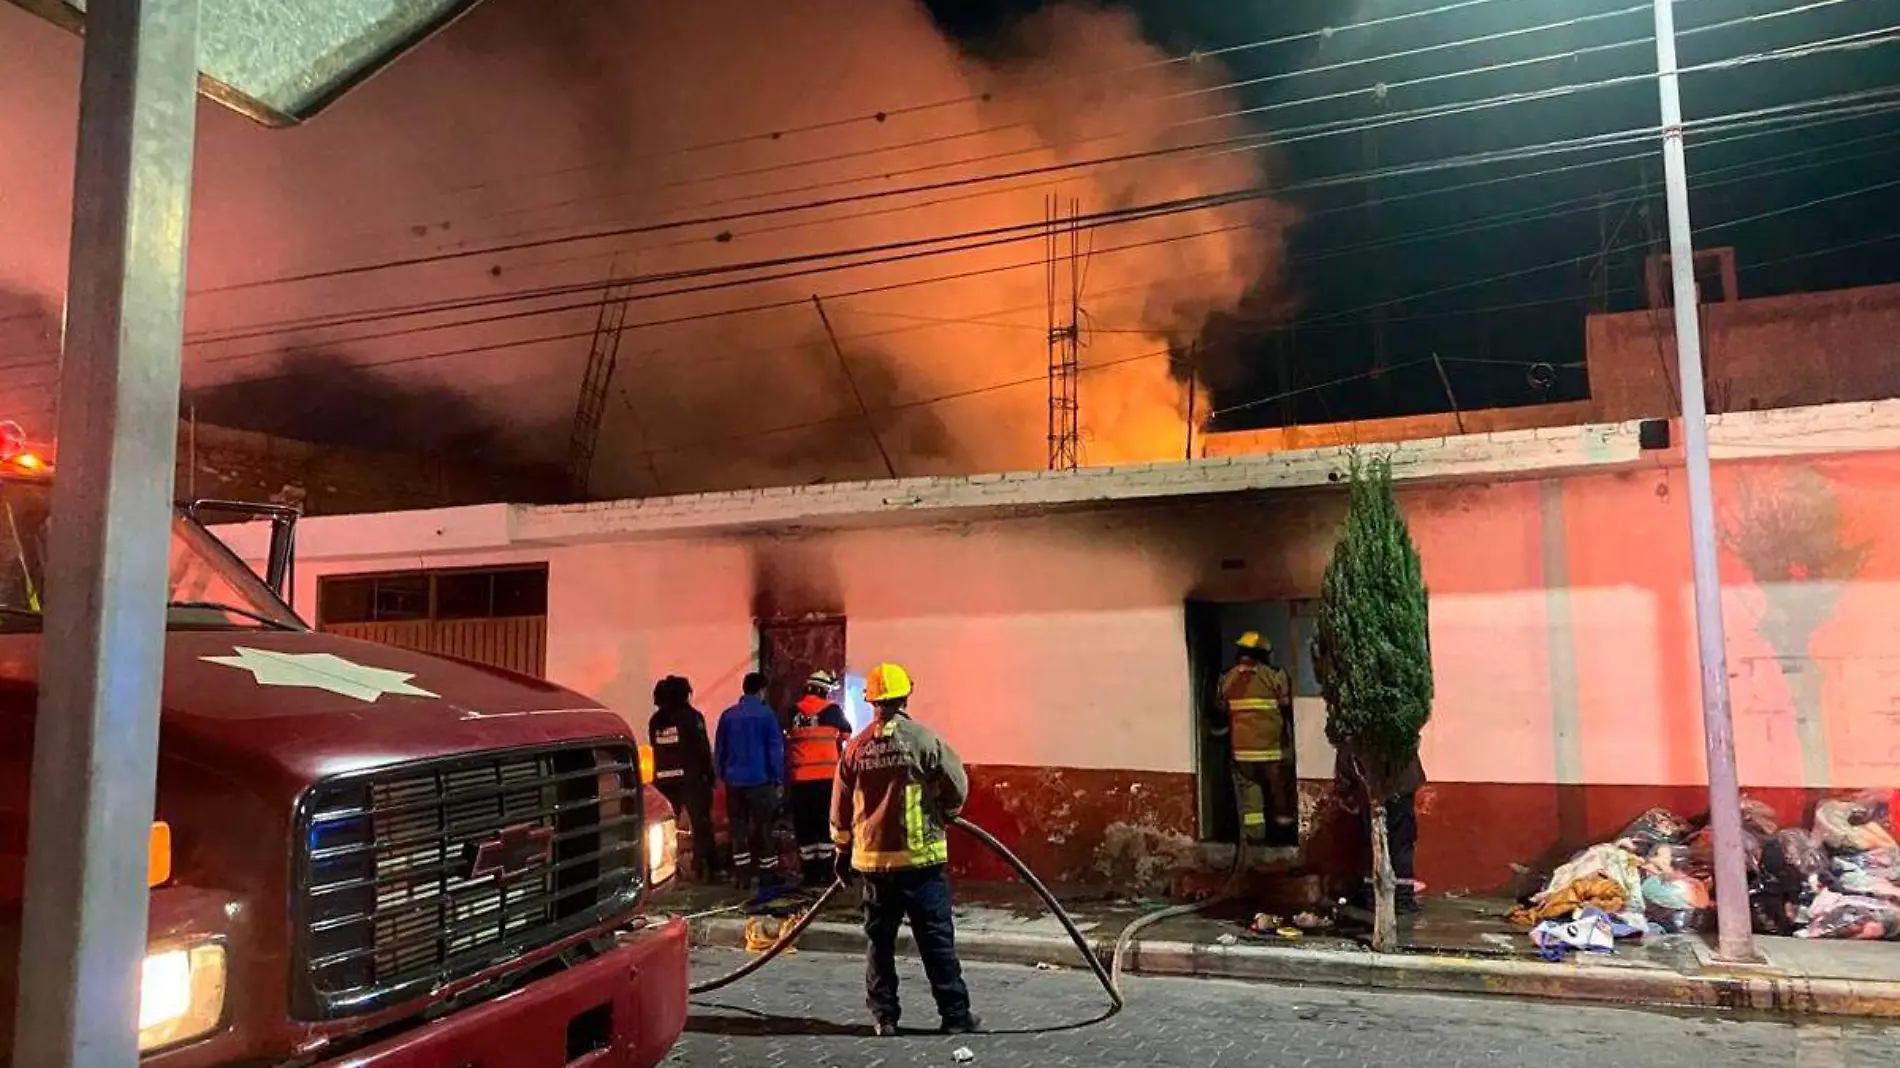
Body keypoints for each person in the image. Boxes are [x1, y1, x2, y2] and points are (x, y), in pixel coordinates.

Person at [830, 662, 978, 1036]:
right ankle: (955, 1017)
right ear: (905, 695)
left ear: (872, 701)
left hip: (875, 868)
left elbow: (840, 809)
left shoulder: (855, 749)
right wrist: (946, 812)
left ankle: (885, 1018)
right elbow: (957, 783)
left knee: (880, 946)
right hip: (921, 864)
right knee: (937, 943)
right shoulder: (924, 741)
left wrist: (842, 852)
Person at [1213, 631, 1294, 845]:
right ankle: (1283, 836)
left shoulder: (1227, 678)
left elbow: (1219, 707)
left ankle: (1255, 837)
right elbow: (1287, 708)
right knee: (1279, 796)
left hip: (1242, 752)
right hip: (1273, 750)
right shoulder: (1275, 675)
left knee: (1251, 796)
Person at [715, 671, 786, 889]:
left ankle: (742, 876)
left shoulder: (728, 716)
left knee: (738, 829)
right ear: (762, 690)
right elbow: (775, 750)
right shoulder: (767, 715)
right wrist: (778, 778)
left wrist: (723, 775)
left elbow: (720, 750)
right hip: (760, 781)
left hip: (734, 782)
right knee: (764, 828)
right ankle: (767, 875)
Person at [785, 669, 853, 887]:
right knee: (824, 825)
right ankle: (826, 872)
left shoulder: (792, 712)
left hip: (799, 780)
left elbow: (784, 737)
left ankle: (809, 873)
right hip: (826, 780)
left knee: (804, 827)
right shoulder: (832, 711)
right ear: (824, 691)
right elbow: (846, 734)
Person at [646, 675, 718, 881]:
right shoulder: (691, 717)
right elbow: (702, 748)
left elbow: (656, 748)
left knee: (666, 827)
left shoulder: (656, 721)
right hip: (692, 779)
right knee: (701, 824)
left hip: (664, 781)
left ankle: (664, 870)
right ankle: (704, 867)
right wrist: (709, 774)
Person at [1336, 749, 1426, 912]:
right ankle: (1401, 898)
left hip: (1372, 792)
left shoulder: (1352, 733)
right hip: (1397, 791)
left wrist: (1348, 794)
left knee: (1373, 844)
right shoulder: (1397, 731)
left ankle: (1375, 897)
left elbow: (1345, 766)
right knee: (1399, 843)